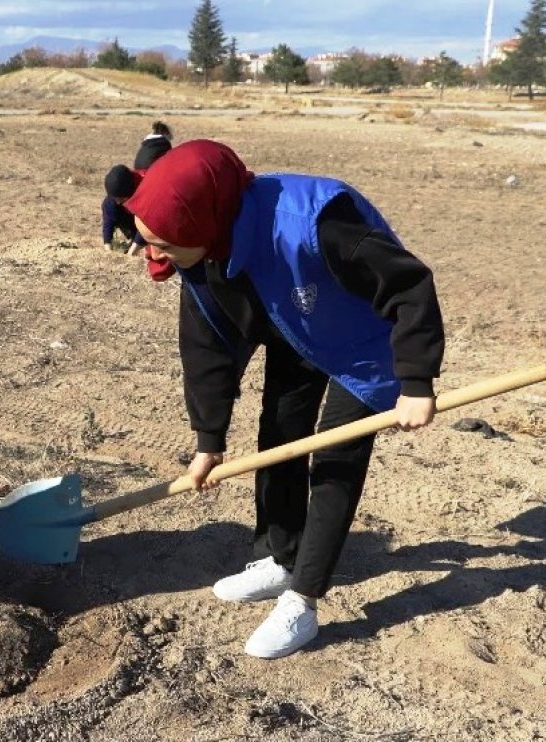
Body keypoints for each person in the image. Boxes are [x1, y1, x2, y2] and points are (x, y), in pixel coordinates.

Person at [125, 140, 445, 659]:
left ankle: (304, 599)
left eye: (159, 242)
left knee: (335, 456)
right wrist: (209, 439)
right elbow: (205, 346)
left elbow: (409, 286)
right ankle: (279, 557)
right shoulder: (201, 244)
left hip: (366, 342)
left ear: (196, 225)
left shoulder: (315, 222)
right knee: (279, 431)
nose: (151, 256)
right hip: (298, 327)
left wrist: (415, 381)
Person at [100, 122, 176, 256]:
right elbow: (109, 214)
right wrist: (107, 246)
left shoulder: (146, 188)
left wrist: (132, 252)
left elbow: (148, 220)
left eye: (121, 199)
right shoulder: (117, 193)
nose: (118, 202)